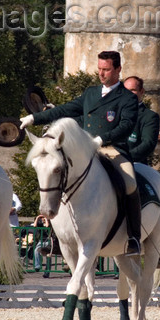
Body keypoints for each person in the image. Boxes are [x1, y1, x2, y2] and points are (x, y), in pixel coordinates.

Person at [19, 50, 141, 256]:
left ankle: (133, 237)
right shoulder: (90, 94)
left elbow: (127, 126)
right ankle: (58, 237)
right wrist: (34, 118)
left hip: (112, 149)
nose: (101, 74)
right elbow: (64, 109)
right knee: (60, 177)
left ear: (118, 69)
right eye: (100, 69)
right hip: (85, 149)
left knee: (130, 183)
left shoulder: (127, 98)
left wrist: (103, 139)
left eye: (107, 69)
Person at [123, 76, 160, 164]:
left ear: (141, 91)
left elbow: (148, 144)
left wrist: (125, 157)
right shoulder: (113, 112)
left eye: (132, 90)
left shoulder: (149, 117)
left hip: (134, 164)